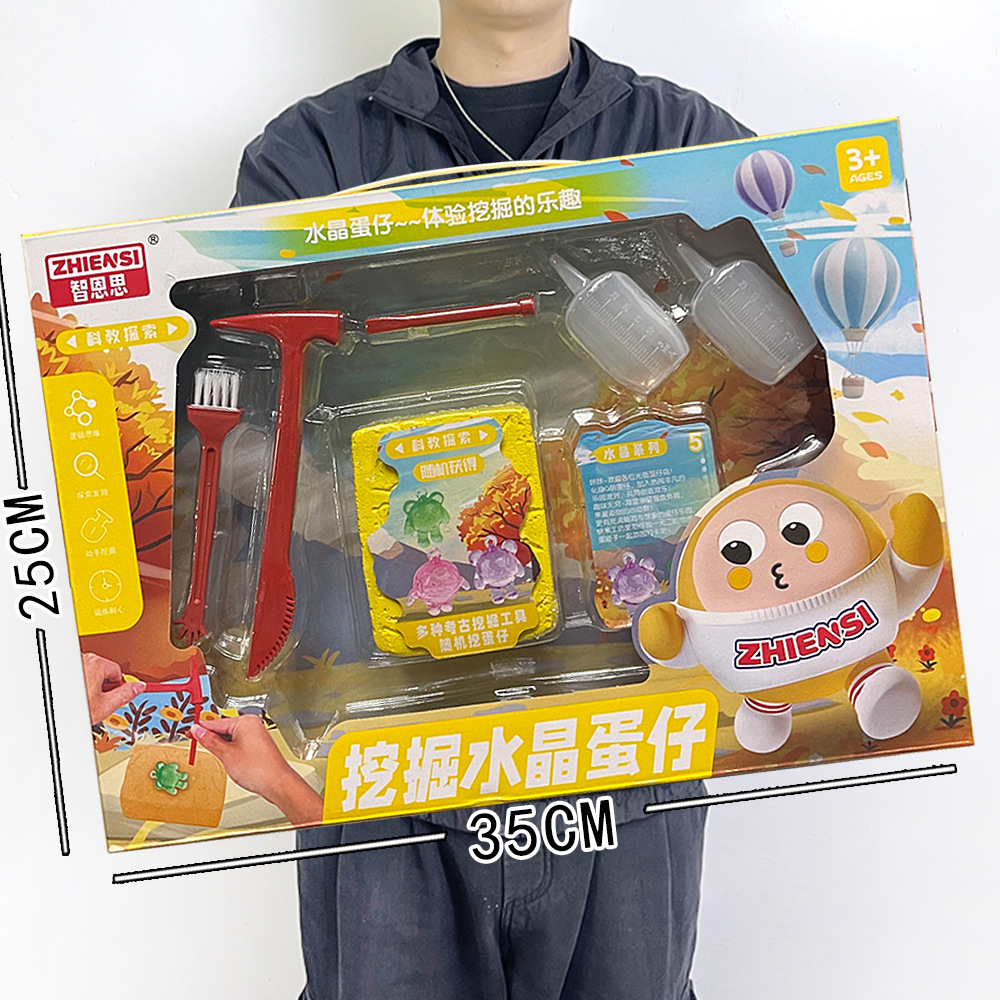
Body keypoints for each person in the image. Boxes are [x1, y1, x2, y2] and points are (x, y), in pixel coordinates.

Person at [209, 3, 754, 998]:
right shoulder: (311, 157)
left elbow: (767, 414)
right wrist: (409, 524)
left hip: (622, 732)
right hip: (383, 749)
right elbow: (240, 442)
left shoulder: (688, 144)